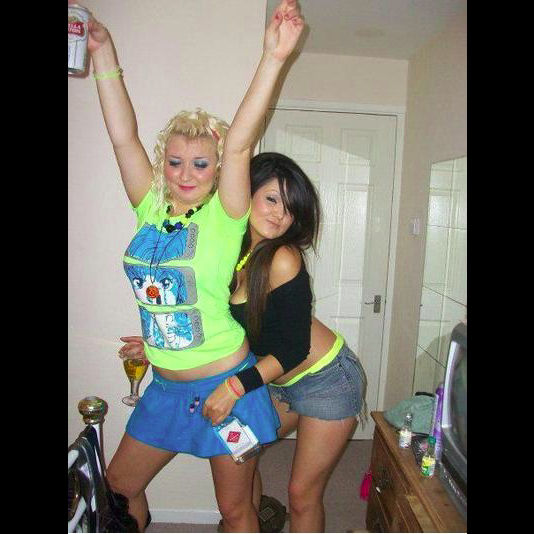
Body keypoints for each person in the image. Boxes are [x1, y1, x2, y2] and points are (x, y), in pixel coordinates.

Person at [83, 0, 305, 531]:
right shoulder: (149, 207)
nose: (186, 174)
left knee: (234, 509)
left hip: (227, 384)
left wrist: (274, 58)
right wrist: (103, 52)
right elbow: (122, 137)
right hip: (164, 388)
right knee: (117, 489)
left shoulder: (226, 214)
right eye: (176, 161)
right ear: (163, 165)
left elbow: (241, 144)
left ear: (217, 168)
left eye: (201, 163)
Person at [121, 152, 368, 532]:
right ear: (244, 191)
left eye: (290, 209)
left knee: (302, 494)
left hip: (326, 379)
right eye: (271, 199)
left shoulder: (282, 258)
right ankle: (251, 517)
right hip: (273, 378)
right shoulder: (227, 246)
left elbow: (292, 348)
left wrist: (234, 387)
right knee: (244, 453)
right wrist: (160, 342)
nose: (280, 215)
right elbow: (210, 317)